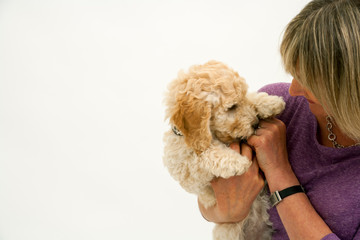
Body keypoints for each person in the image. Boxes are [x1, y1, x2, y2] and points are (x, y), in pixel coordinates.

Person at [198, 0, 360, 239]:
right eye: (294, 74)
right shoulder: (278, 107)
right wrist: (228, 209)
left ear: (350, 85)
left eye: (309, 80)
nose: (294, 89)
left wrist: (278, 171)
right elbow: (211, 203)